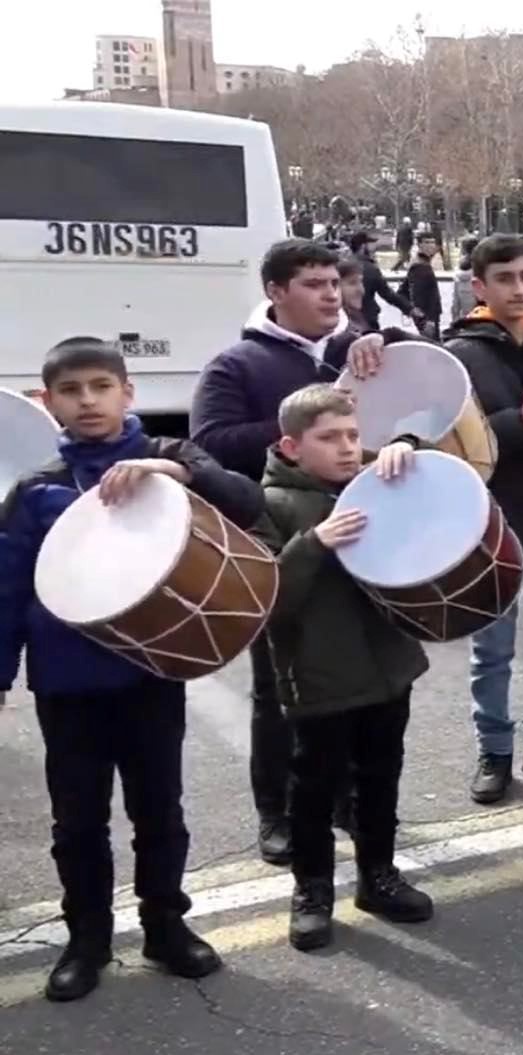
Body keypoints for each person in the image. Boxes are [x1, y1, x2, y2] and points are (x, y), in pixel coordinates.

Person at [1, 338, 262, 1001]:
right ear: (48, 401)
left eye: (100, 386)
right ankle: (86, 937)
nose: (87, 400)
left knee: (159, 810)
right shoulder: (37, 490)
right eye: (71, 390)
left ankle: (164, 925)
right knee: (78, 821)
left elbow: (247, 502)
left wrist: (175, 474)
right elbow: (6, 589)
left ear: (127, 393)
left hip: (150, 677)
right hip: (67, 685)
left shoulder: (171, 458)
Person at [346, 235, 523, 804]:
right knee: (493, 650)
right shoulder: (459, 355)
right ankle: (495, 750)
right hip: (489, 517)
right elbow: (440, 438)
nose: (520, 289)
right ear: (478, 287)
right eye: (505, 279)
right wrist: (520, 419)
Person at [190, 239, 378, 866]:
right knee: (280, 690)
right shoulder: (236, 366)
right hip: (279, 540)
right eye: (315, 284)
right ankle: (278, 814)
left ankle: (350, 801)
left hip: (360, 535)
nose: (332, 294)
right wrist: (302, 425)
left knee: (359, 678)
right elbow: (211, 444)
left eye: (335, 282)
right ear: (275, 292)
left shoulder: (360, 353)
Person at [252, 386, 433, 952]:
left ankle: (378, 875)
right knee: (313, 790)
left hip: (388, 665)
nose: (348, 449)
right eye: (329, 439)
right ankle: (312, 891)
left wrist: (405, 448)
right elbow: (265, 600)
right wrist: (314, 544)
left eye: (354, 436)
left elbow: (436, 501)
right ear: (291, 445)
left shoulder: (376, 480)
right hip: (320, 676)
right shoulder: (269, 504)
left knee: (380, 779)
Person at [348, 231, 418, 333]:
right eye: (371, 244)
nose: (374, 248)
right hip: (367, 320)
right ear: (363, 246)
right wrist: (410, 309)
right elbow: (387, 294)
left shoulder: (343, 265)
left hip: (348, 320)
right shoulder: (370, 269)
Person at [398, 231, 444, 339]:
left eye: (433, 242)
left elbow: (403, 291)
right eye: (427, 242)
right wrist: (424, 319)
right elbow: (417, 296)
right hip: (428, 319)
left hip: (429, 318)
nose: (431, 246)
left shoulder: (422, 263)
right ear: (419, 245)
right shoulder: (420, 266)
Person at [452, 237, 480, 322]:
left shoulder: (458, 270)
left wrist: (455, 320)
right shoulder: (480, 269)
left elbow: (455, 302)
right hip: (480, 317)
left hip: (465, 318)